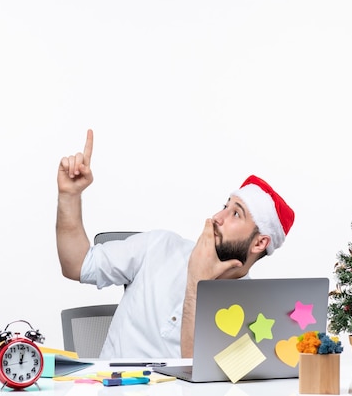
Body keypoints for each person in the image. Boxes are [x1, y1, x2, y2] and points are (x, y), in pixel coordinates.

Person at [56, 129, 294, 359]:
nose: (217, 218)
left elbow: (200, 385)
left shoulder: (257, 317)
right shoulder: (159, 246)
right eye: (225, 206)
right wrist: (69, 195)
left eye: (236, 214)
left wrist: (196, 284)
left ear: (259, 242)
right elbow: (78, 265)